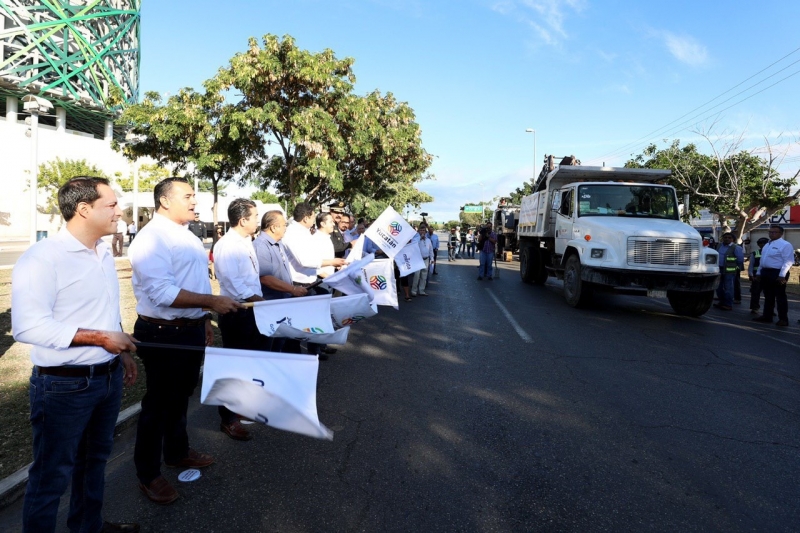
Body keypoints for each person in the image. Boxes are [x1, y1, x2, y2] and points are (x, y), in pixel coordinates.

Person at [12, 176, 140, 533]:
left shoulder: (103, 252)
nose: (119, 211)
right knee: (51, 475)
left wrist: (120, 353)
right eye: (111, 205)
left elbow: (105, 310)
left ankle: (88, 526)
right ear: (84, 209)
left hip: (107, 378)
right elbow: (27, 327)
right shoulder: (43, 258)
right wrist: (101, 338)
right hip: (63, 387)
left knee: (94, 462)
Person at [128, 178, 241, 505]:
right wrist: (212, 303)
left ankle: (177, 452)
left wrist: (203, 319)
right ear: (165, 201)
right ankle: (148, 475)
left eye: (194, 195)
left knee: (180, 397)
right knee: (158, 405)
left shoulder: (188, 234)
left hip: (189, 328)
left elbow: (195, 281)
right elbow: (162, 293)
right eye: (188, 196)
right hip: (162, 332)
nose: (195, 201)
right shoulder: (150, 238)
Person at [213, 198, 270, 441]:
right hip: (237, 312)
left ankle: (244, 407)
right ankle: (228, 419)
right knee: (235, 367)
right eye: (255, 216)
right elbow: (234, 285)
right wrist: (261, 300)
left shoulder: (247, 241)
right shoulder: (227, 245)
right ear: (243, 220)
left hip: (252, 310)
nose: (258, 220)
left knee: (251, 363)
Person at [282, 202, 346, 356]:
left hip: (308, 282)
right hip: (298, 284)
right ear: (306, 218)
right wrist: (332, 262)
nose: (314, 220)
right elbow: (305, 261)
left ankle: (311, 353)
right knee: (297, 325)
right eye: (312, 216)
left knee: (311, 321)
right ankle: (295, 357)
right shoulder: (293, 233)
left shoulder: (304, 232)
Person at [752, 225, 795, 327]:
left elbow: (788, 261)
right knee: (768, 296)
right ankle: (767, 316)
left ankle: (783, 319)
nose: (772, 234)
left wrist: (782, 275)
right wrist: (759, 273)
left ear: (781, 234)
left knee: (780, 297)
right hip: (766, 272)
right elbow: (762, 261)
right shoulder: (767, 245)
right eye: (770, 232)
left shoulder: (785, 245)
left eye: (775, 232)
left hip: (778, 273)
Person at [714, 232, 743, 311]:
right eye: (725, 237)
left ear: (733, 239)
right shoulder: (719, 245)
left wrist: (735, 267)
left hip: (729, 270)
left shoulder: (736, 248)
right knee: (718, 287)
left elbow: (740, 260)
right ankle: (722, 302)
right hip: (719, 269)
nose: (727, 239)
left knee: (728, 288)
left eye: (729, 238)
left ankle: (728, 304)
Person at [747, 237, 769, 314]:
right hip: (756, 276)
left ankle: (769, 310)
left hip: (768, 276)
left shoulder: (772, 253)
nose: (762, 245)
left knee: (769, 294)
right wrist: (750, 274)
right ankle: (755, 307)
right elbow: (751, 265)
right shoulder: (755, 253)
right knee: (755, 292)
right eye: (760, 243)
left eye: (764, 243)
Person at [411, 224, 433, 296]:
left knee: (424, 275)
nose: (422, 232)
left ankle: (421, 290)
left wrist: (432, 258)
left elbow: (431, 250)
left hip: (426, 259)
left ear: (425, 232)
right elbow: (413, 246)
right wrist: (420, 238)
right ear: (418, 231)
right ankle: (414, 291)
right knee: (416, 276)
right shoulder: (415, 239)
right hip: (418, 259)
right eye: (421, 230)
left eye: (423, 230)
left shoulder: (428, 240)